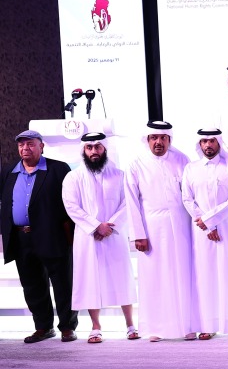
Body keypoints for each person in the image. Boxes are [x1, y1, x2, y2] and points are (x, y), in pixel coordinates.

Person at [2, 130, 77, 343]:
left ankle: (67, 327)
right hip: (21, 238)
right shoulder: (9, 172)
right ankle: (43, 327)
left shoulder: (57, 169)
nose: (25, 148)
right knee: (32, 285)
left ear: (41, 146)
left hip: (52, 236)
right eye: (21, 145)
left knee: (63, 283)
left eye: (30, 144)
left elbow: (69, 202)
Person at [125, 121, 197, 342]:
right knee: (154, 278)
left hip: (182, 226)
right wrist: (138, 234)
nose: (158, 142)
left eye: (162, 138)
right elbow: (131, 201)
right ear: (147, 140)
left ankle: (187, 325)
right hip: (152, 228)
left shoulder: (182, 160)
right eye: (153, 138)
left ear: (169, 140)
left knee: (183, 275)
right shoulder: (136, 165)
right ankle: (155, 328)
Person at [62, 132, 137, 343]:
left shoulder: (120, 175)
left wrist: (110, 227)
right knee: (89, 279)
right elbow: (71, 206)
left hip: (114, 234)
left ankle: (130, 324)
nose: (94, 151)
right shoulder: (73, 177)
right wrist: (96, 226)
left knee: (121, 276)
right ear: (84, 151)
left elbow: (127, 203)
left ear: (105, 149)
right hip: (88, 237)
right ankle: (95, 326)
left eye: (98, 147)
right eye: (89, 148)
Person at [182, 128, 228, 340]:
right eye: (204, 142)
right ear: (199, 145)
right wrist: (207, 224)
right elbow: (187, 199)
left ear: (219, 143)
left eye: (212, 141)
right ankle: (207, 325)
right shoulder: (191, 169)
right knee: (205, 275)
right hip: (202, 231)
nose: (208, 145)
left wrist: (213, 220)